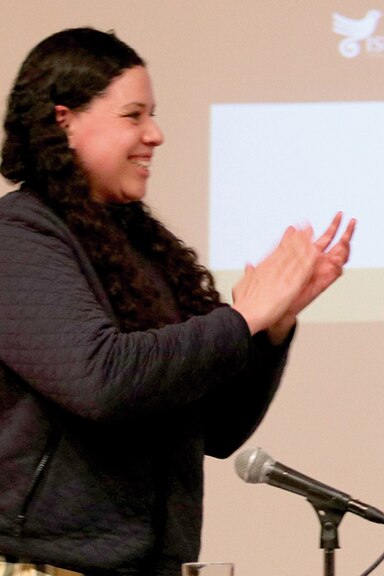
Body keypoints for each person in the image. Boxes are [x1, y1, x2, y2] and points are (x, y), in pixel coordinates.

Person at [0, 28, 356, 575]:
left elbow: (217, 431)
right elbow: (100, 380)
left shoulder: (142, 249)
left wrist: (271, 329)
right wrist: (242, 318)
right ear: (64, 120)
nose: (156, 134)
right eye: (133, 115)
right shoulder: (17, 238)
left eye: (153, 115)